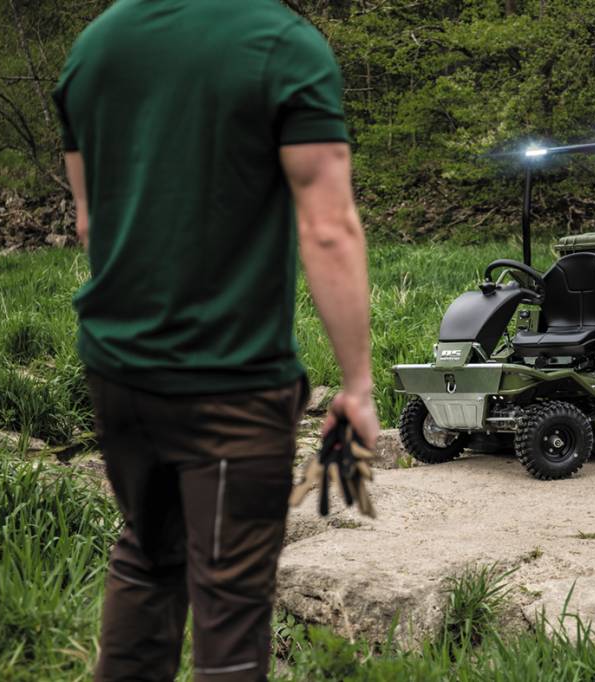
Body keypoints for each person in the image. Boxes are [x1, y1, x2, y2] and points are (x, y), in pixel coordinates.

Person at [52, 1, 378, 680]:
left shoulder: (95, 48)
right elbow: (328, 228)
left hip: (117, 372)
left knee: (148, 557)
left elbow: (89, 224)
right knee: (230, 606)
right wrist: (357, 385)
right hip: (231, 382)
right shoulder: (283, 45)